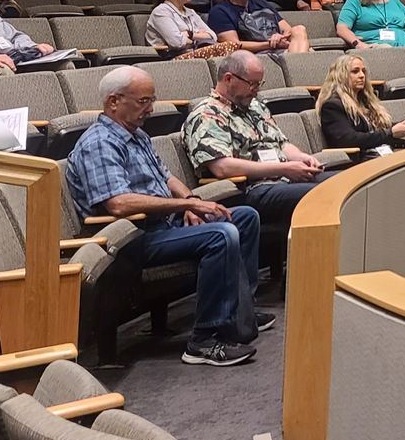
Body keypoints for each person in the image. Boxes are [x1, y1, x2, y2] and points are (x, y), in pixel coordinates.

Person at [68, 65, 268, 366]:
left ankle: (241, 313)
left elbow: (167, 178)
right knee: (220, 234)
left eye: (152, 100)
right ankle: (203, 341)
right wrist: (184, 207)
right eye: (142, 101)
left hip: (162, 226)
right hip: (129, 239)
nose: (150, 109)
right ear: (113, 102)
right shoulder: (100, 143)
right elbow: (118, 204)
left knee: (243, 217)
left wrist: (189, 201)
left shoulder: (137, 135)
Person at [183, 51, 332, 236]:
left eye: (259, 84)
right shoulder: (206, 115)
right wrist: (283, 169)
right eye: (252, 84)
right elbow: (223, 168)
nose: (256, 90)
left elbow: (281, 144)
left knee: (342, 183)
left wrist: (302, 157)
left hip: (283, 178)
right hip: (250, 189)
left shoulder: (255, 106)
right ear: (228, 78)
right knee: (320, 195)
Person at [317, 53, 405, 157]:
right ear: (340, 76)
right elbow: (347, 140)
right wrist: (390, 133)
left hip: (379, 155)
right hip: (358, 162)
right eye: (355, 71)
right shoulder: (332, 106)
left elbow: (375, 130)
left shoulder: (365, 101)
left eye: (363, 71)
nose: (362, 75)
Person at [205, 0, 311, 55]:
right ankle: (299, 66)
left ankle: (297, 65)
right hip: (255, 55)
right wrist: (270, 44)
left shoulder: (262, 4)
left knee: (299, 29)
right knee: (307, 53)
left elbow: (288, 30)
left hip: (282, 50)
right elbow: (234, 45)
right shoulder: (220, 11)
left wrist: (279, 37)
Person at [146, 0, 223, 60]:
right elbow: (177, 43)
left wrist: (189, 34)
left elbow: (212, 36)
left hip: (193, 56)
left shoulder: (190, 12)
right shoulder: (161, 12)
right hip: (169, 60)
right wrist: (198, 35)